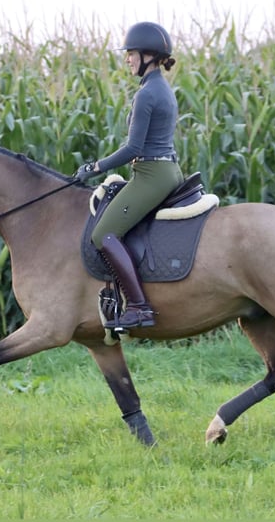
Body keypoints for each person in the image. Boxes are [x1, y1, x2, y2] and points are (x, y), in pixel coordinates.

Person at [75, 21, 183, 329]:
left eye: (131, 53)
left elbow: (133, 146)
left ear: (148, 55)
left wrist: (95, 167)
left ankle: (138, 306)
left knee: (102, 234)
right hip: (165, 169)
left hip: (152, 174)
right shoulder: (160, 88)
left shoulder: (148, 93)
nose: (127, 59)